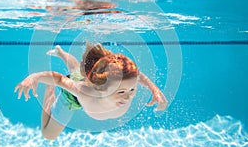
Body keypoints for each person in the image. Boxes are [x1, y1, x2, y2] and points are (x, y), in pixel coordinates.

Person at [14, 42, 167, 140]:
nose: (128, 96)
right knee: (48, 135)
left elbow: (139, 76)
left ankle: (61, 53)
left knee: (77, 71)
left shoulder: (125, 81)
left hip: (87, 81)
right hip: (72, 99)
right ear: (100, 87)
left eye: (132, 89)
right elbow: (60, 79)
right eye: (121, 92)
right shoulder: (84, 91)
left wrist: (154, 89)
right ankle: (50, 89)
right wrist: (35, 77)